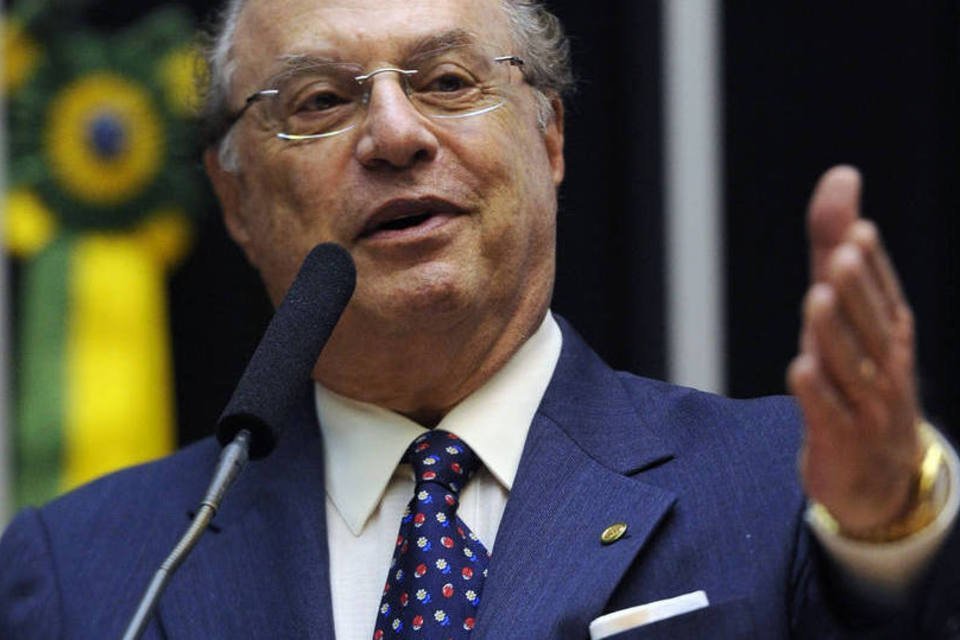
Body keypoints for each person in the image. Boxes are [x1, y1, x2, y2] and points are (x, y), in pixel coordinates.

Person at [2, 0, 959, 638]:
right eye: (323, 100)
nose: (395, 134)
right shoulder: (87, 574)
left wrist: (888, 533)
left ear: (551, 137)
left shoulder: (785, 487)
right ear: (236, 199)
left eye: (448, 82)